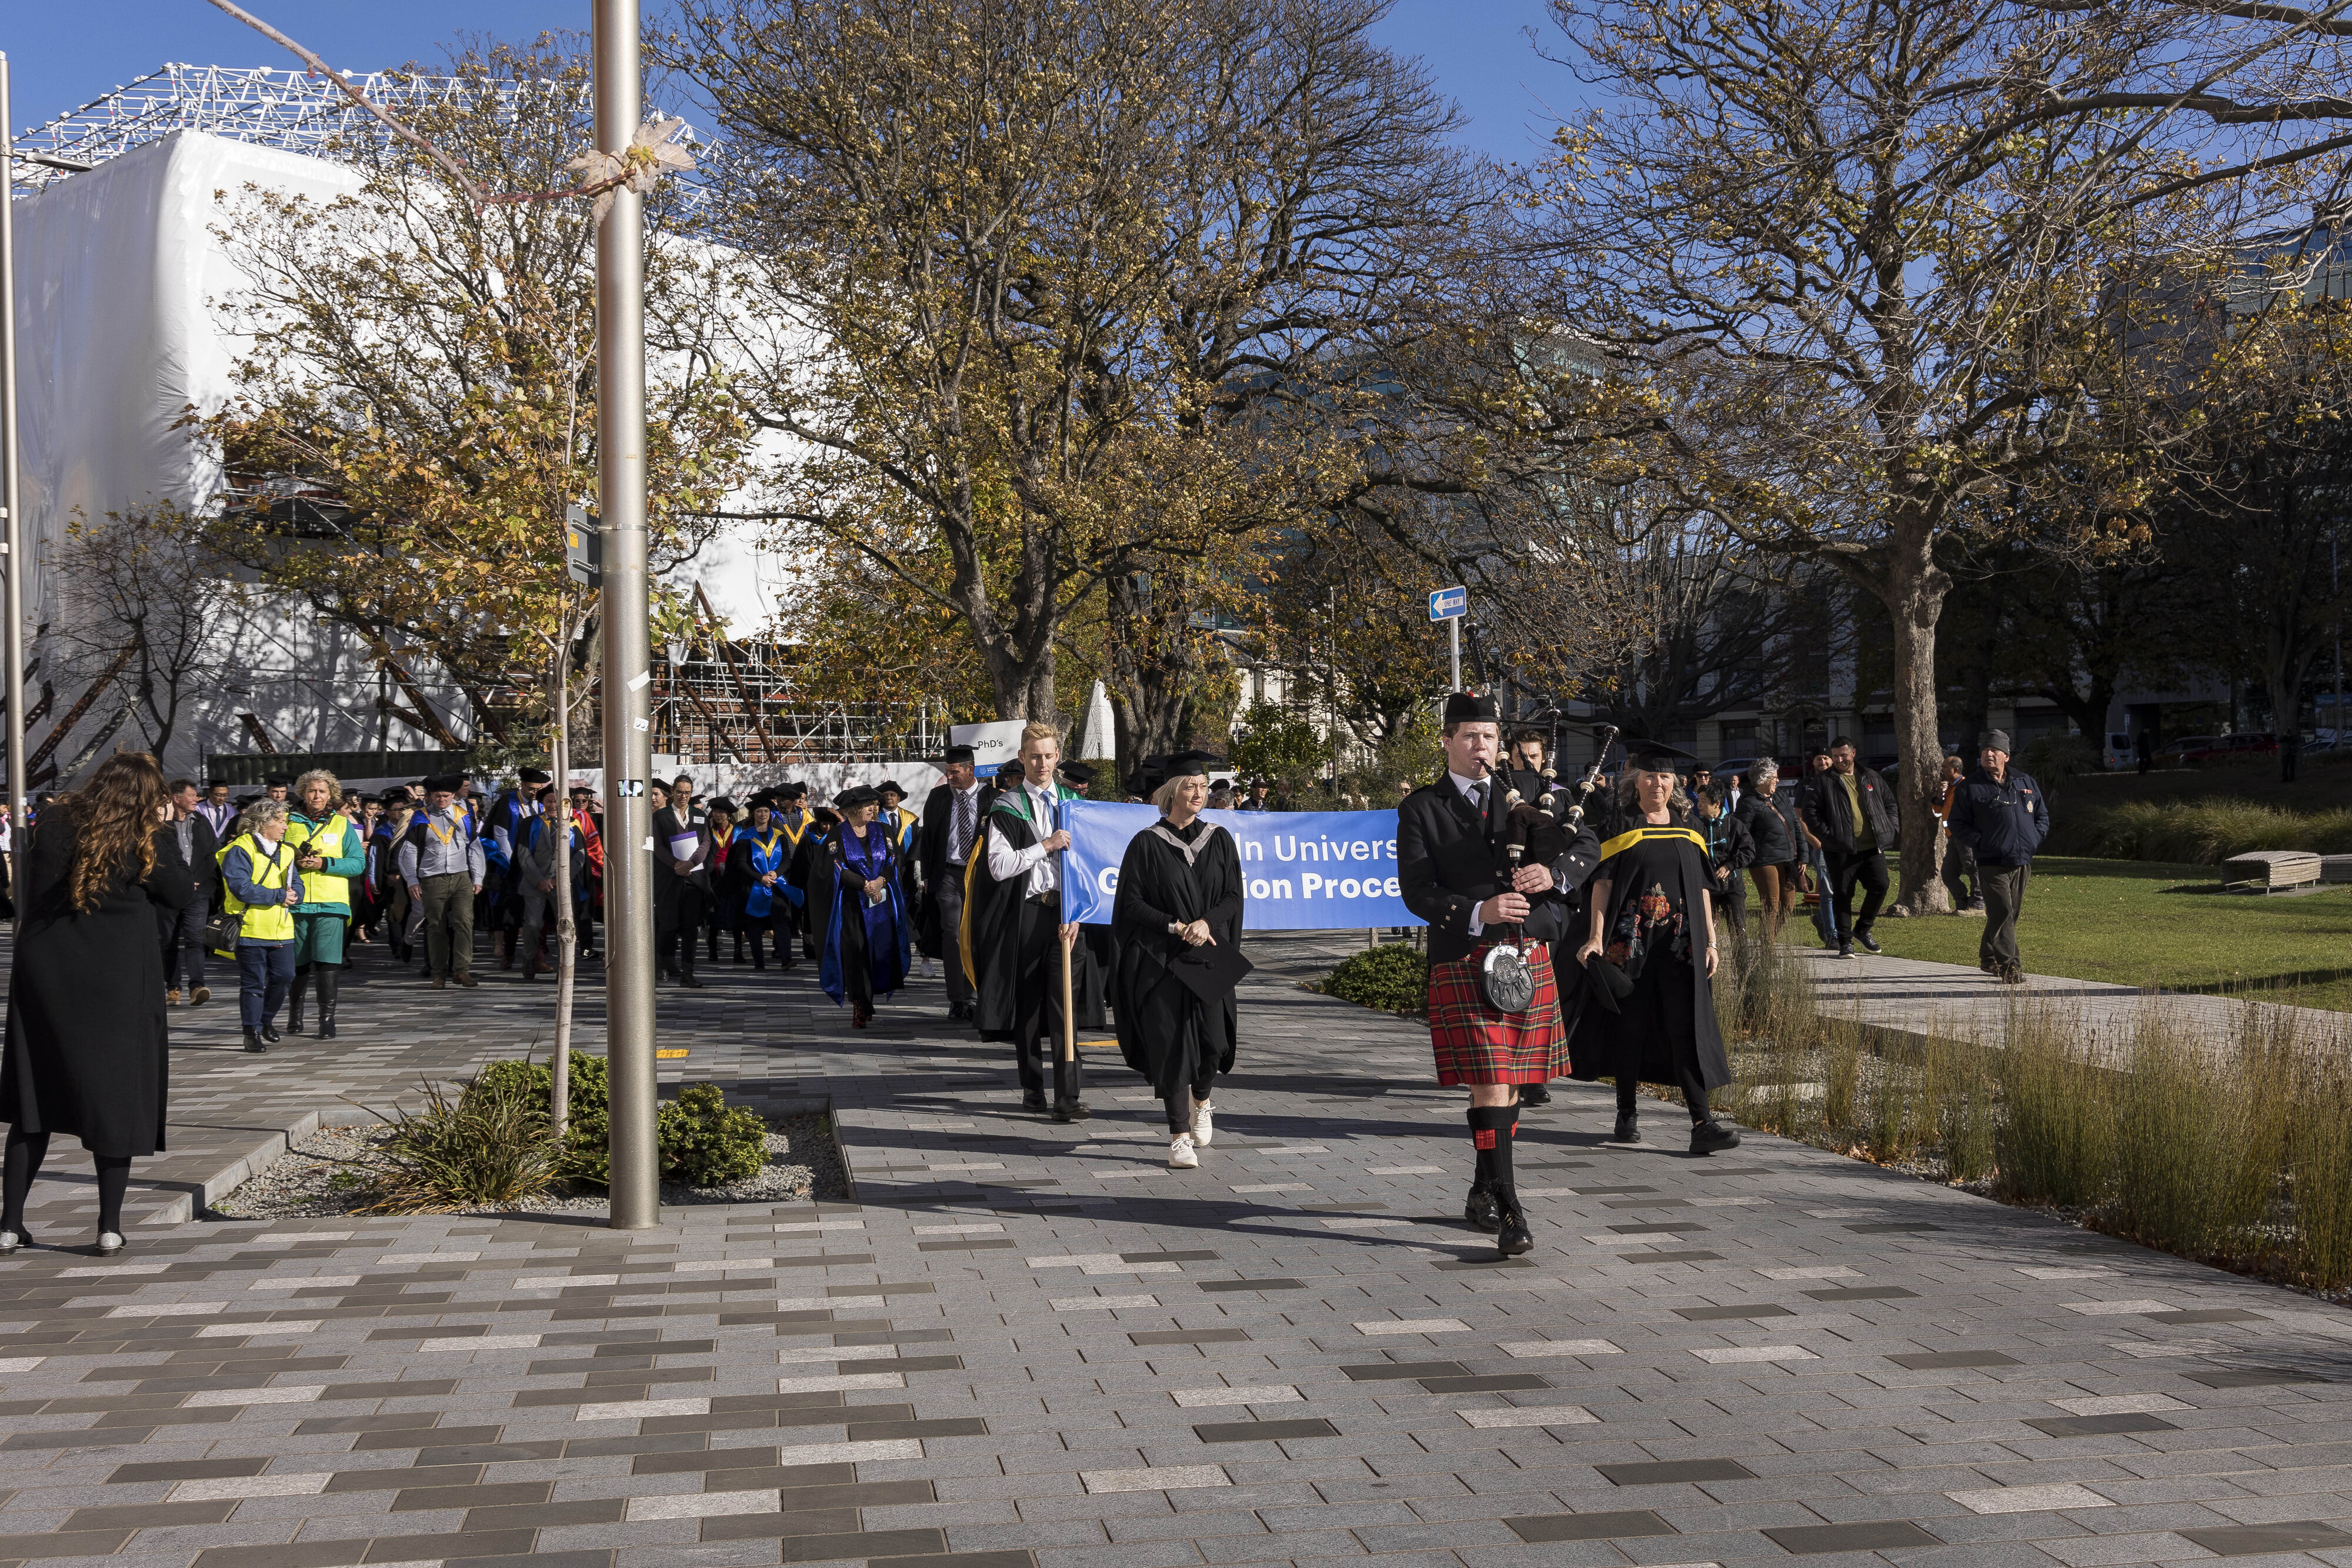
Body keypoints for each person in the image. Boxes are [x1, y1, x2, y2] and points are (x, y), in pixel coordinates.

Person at [1398, 692, 1600, 1259]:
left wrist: (1553, 874)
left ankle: (1484, 1185)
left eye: (1487, 736)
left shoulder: (1531, 790)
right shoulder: (1422, 808)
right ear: (1446, 742)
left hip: (1527, 953)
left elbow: (1587, 842)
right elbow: (1416, 891)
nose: (1479, 746)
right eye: (1468, 736)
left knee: (1509, 1083)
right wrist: (1475, 911)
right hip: (1465, 956)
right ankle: (1511, 1207)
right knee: (1490, 1078)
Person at [0, 752, 191, 1254]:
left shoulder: (56, 820)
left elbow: (32, 890)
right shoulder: (147, 834)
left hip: (48, 971)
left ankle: (9, 1223)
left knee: (34, 1101)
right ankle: (108, 1227)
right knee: (117, 1100)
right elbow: (178, 894)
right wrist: (165, 830)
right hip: (118, 979)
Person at [1572, 743, 1738, 1155]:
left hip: (1679, 946)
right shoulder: (1621, 824)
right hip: (1628, 946)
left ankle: (1702, 1123)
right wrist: (1595, 937)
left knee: (1686, 1028)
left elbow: (1702, 889)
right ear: (1636, 781)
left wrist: (1711, 940)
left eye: (1664, 777)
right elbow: (1602, 885)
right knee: (1631, 1029)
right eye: (1648, 776)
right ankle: (1626, 1111)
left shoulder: (1689, 828)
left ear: (1675, 783)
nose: (1656, 784)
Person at [963, 722, 1106, 1119]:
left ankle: (1068, 1097)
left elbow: (1092, 866)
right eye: (1034, 756)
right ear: (1023, 758)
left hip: (1068, 917)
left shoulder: (1075, 805)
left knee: (1065, 1008)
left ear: (1058, 756)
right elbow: (998, 867)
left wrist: (1078, 913)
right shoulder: (1006, 807)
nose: (1042, 763)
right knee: (1027, 1005)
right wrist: (1045, 846)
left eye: (1049, 755)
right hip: (1026, 915)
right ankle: (1032, 1086)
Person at [1112, 755, 1244, 1170]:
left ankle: (1202, 1100)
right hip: (1162, 958)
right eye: (1190, 786)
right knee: (1170, 1045)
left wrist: (1206, 923)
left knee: (1213, 1044)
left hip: (1208, 954)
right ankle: (1178, 1135)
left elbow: (1233, 897)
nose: (1199, 794)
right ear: (1171, 792)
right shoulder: (1147, 843)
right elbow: (1130, 904)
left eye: (1203, 787)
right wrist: (1173, 926)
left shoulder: (1219, 839)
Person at [1946, 729, 2049, 985]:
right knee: (2002, 910)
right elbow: (1957, 824)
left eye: (1994, 751)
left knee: (2007, 914)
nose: (1988, 755)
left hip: (2022, 860)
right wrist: (1982, 842)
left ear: (2007, 756)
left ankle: (1988, 956)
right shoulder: (1971, 787)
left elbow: (2042, 816)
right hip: (1992, 862)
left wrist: (2034, 839)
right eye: (1984, 752)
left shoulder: (2025, 783)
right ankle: (2010, 966)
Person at [809, 785, 912, 1026]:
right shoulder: (837, 836)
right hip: (851, 906)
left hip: (880, 904)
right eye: (868, 806)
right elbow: (835, 868)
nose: (873, 809)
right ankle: (860, 1004)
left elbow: (893, 859)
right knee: (856, 953)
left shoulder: (883, 830)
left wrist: (880, 881)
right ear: (854, 809)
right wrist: (865, 884)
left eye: (873, 805)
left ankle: (871, 996)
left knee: (879, 951)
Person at [280, 770, 365, 1038]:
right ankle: (295, 1015)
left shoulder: (342, 824)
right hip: (295, 902)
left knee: (328, 961)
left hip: (332, 904)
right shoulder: (287, 821)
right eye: (312, 791)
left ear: (331, 795)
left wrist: (323, 863)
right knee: (298, 962)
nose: (317, 796)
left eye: (323, 792)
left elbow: (358, 863)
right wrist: (294, 861)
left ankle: (327, 1019)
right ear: (303, 793)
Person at [219, 798, 305, 1053]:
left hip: (281, 928)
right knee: (253, 984)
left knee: (285, 977)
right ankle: (251, 1031)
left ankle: (266, 1020)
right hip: (250, 928)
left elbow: (296, 881)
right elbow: (241, 888)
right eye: (280, 822)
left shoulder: (287, 850)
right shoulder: (240, 849)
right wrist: (279, 896)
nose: (285, 827)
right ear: (263, 822)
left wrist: (295, 893)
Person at [1799, 738, 1897, 959]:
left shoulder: (1870, 776)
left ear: (1853, 753)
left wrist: (1890, 827)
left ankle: (1862, 930)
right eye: (1835, 756)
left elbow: (1890, 803)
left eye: (1843, 755)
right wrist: (1828, 835)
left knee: (1881, 885)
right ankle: (1845, 943)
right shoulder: (1824, 780)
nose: (1839, 760)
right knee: (1843, 894)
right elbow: (1809, 812)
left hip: (1872, 847)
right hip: (1840, 849)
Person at [396, 776, 485, 989]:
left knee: (464, 922)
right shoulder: (420, 817)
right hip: (432, 878)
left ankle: (462, 971)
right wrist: (411, 880)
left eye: (446, 796)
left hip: (461, 876)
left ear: (453, 796)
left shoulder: (464, 817)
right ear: (430, 796)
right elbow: (409, 850)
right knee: (436, 927)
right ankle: (439, 973)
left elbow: (474, 847)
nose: (441, 799)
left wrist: (478, 877)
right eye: (437, 796)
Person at [917, 746, 986, 1018]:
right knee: (954, 934)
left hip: (981, 876)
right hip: (948, 874)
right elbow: (929, 837)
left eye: (955, 772)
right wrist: (925, 877)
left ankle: (979, 995)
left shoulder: (991, 796)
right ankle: (959, 999)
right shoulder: (938, 797)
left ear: (970, 770)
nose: (950, 776)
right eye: (948, 772)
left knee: (978, 935)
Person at [158, 778, 219, 1007]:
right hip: (168, 893)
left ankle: (197, 986)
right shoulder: (161, 823)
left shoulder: (201, 821)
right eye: (192, 795)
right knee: (168, 941)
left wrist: (195, 880)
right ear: (177, 798)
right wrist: (176, 881)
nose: (197, 799)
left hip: (197, 892)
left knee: (195, 938)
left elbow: (211, 854)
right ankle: (173, 987)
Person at [653, 775, 712, 987]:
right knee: (668, 925)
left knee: (690, 928)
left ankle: (688, 973)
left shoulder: (699, 815)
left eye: (687, 792)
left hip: (693, 878)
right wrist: (676, 864)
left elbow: (706, 842)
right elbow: (658, 846)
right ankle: (663, 961)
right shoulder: (661, 816)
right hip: (670, 878)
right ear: (673, 791)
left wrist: (692, 862)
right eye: (680, 792)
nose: (684, 796)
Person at [1733, 760, 1794, 942]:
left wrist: (1803, 856)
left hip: (1788, 857)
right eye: (1774, 777)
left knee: (1788, 906)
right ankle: (1767, 950)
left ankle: (1769, 938)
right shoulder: (1748, 803)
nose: (1778, 780)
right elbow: (1742, 833)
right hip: (1763, 860)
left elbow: (1795, 824)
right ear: (1763, 779)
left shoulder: (1780, 797)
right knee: (1771, 906)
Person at [1694, 782, 1753, 952]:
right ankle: (1709, 975)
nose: (1699, 805)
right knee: (1705, 934)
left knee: (1738, 932)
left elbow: (1749, 850)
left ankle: (1743, 974)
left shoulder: (1735, 825)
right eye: (1699, 800)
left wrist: (1729, 866)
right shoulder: (1697, 826)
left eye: (1703, 801)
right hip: (1706, 888)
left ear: (1717, 804)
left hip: (1732, 887)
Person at [1936, 753, 1981, 912]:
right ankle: (1962, 903)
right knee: (1947, 873)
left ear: (1955, 769)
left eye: (1944, 767)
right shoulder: (1949, 788)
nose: (1941, 770)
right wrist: (1940, 793)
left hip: (1964, 835)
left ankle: (1978, 905)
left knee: (1973, 868)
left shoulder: (1966, 786)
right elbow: (1937, 811)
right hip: (1952, 836)